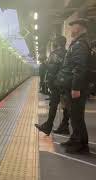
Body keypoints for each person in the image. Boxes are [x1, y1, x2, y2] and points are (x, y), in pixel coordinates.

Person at [57, 18, 90, 154]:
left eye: (73, 26)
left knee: (77, 116)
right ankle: (75, 138)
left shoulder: (80, 45)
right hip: (72, 86)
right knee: (74, 114)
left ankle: (81, 145)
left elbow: (79, 67)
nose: (71, 29)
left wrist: (76, 88)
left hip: (76, 88)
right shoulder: (77, 43)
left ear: (81, 28)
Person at [35, 36, 70, 135]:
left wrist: (49, 85)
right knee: (66, 106)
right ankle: (64, 126)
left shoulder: (54, 54)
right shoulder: (67, 53)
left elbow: (51, 71)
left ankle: (48, 126)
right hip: (66, 84)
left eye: (54, 43)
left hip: (57, 84)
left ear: (56, 44)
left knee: (53, 105)